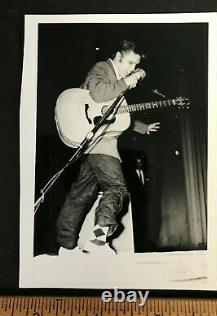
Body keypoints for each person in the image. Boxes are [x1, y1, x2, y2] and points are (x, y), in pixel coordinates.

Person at [56, 40, 160, 255]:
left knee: (81, 194)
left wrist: (143, 127)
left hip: (101, 141)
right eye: (130, 63)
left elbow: (113, 114)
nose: (131, 69)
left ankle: (65, 246)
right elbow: (98, 94)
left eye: (135, 65)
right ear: (117, 56)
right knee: (117, 189)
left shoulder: (119, 81)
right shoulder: (102, 68)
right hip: (101, 143)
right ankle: (97, 242)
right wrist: (128, 80)